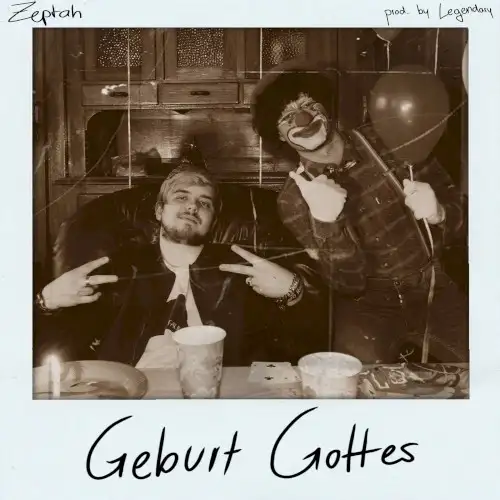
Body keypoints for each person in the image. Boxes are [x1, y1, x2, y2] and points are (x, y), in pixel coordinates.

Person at [250, 61, 468, 364]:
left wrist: (440, 213)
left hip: (434, 286)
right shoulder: (292, 199)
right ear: (280, 136)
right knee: (350, 381)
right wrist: (326, 222)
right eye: (287, 117)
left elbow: (465, 221)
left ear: (326, 108)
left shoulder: (388, 136)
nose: (303, 117)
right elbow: (347, 284)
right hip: (367, 306)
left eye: (309, 105)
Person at [34, 164, 328, 368]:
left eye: (205, 203)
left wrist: (294, 292)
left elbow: (299, 343)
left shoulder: (242, 268)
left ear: (213, 221)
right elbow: (57, 350)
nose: (192, 207)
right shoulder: (117, 269)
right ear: (159, 211)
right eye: (181, 197)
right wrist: (46, 301)